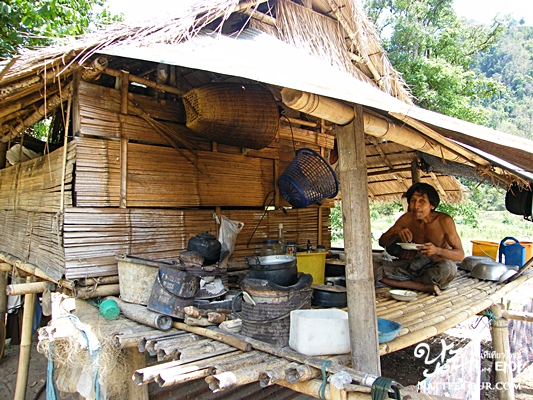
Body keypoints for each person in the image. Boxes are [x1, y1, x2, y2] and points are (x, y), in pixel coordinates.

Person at [376, 182, 464, 295]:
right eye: (413, 200)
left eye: (422, 201)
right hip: (412, 265)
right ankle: (422, 286)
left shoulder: (444, 221)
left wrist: (437, 250)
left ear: (432, 205)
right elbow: (382, 242)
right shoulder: (406, 219)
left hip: (435, 267)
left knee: (449, 269)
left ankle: (404, 282)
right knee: (374, 268)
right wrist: (396, 233)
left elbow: (460, 255)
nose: (416, 206)